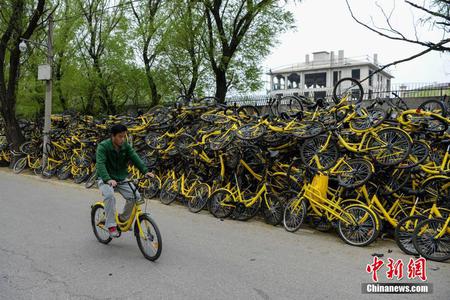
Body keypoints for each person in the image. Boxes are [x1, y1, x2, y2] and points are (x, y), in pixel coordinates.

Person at [96, 124, 154, 238]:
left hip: (121, 178)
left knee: (135, 196)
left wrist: (145, 171)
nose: (123, 139)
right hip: (105, 179)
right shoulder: (103, 147)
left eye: (124, 136)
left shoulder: (125, 146)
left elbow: (135, 157)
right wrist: (108, 179)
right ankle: (111, 225)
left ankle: (123, 219)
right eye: (120, 136)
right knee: (109, 196)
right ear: (113, 136)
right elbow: (100, 164)